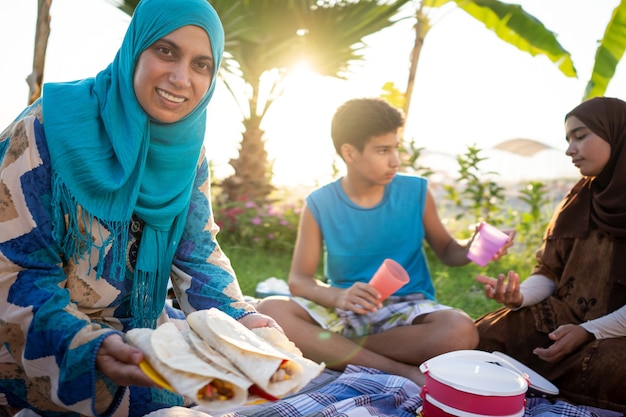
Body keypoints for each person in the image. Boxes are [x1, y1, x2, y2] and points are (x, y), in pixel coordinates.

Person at [0, 0, 280, 415]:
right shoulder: (44, 130)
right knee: (166, 397)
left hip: (134, 333)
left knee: (225, 383)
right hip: (39, 334)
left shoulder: (187, 152)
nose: (182, 78)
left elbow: (197, 251)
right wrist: (88, 346)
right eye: (166, 51)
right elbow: (15, 273)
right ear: (135, 48)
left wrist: (241, 321)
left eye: (202, 64)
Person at [257, 97, 513, 386]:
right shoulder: (319, 203)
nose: (396, 160)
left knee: (459, 331)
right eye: (383, 150)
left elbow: (448, 251)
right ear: (350, 153)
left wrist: (476, 245)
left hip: (406, 313)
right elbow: (300, 280)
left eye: (396, 148)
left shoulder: (416, 192)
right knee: (269, 310)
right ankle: (401, 370)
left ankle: (331, 350)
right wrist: (338, 296)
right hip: (344, 308)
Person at [475, 96, 626, 412]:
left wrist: (588, 332)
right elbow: (548, 272)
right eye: (568, 139)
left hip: (616, 338)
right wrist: (519, 296)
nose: (571, 149)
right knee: (482, 334)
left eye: (581, 136)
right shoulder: (580, 195)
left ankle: (535, 382)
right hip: (563, 321)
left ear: (616, 133)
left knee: (615, 370)